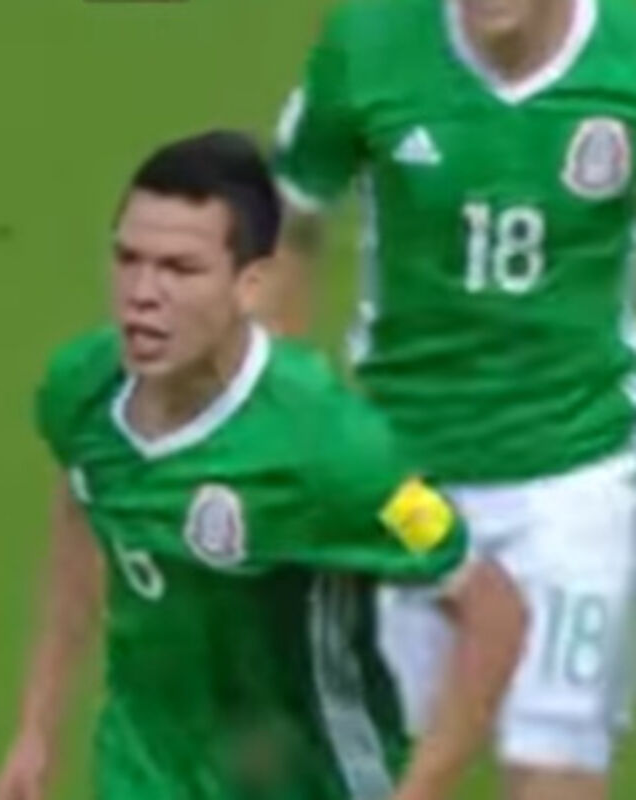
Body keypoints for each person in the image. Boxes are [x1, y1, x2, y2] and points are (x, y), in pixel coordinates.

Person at [0, 130, 525, 800]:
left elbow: (493, 610)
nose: (142, 293)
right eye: (128, 259)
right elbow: (83, 506)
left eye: (180, 269)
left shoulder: (334, 449)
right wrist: (37, 729)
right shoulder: (82, 391)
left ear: (249, 285)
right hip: (142, 773)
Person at [268, 1, 636, 798]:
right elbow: (291, 218)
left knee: (557, 763)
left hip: (575, 478)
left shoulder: (625, 51)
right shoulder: (370, 43)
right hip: (407, 485)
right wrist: (286, 416)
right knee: (391, 766)